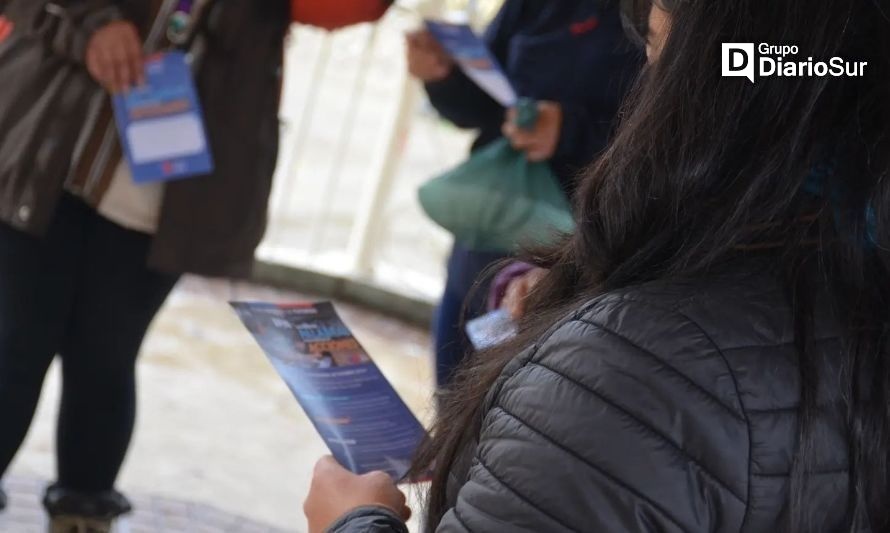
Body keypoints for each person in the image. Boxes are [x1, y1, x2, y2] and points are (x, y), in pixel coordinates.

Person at [303, 0, 890, 531]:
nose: (646, 89)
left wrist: (352, 522)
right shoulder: (852, 292)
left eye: (658, 51)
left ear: (721, 94)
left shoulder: (633, 370)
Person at [0, 0, 389, 531]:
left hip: (170, 195)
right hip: (42, 153)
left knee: (104, 361)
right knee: (15, 345)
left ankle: (81, 516)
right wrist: (93, 26)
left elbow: (348, 7)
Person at [407, 0, 642, 387]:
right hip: (490, 233)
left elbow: (681, 138)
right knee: (452, 389)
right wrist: (443, 75)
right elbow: (483, 101)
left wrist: (570, 131)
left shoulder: (665, 16)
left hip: (578, 250)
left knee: (514, 397)